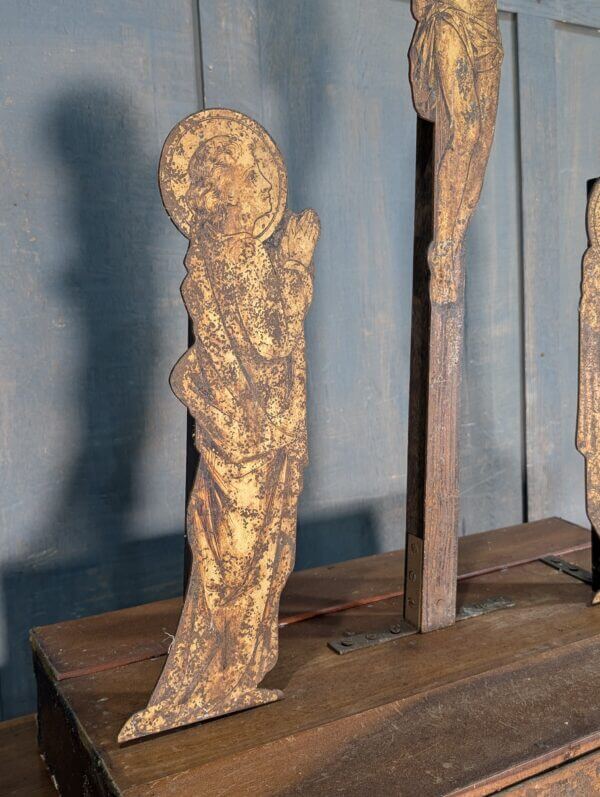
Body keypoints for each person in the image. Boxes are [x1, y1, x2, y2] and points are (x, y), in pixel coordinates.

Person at [119, 125, 319, 741]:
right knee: (235, 558)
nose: (251, 187)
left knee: (258, 555)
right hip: (246, 438)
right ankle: (209, 680)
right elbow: (268, 343)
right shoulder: (229, 263)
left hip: (264, 429)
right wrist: (293, 263)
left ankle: (233, 674)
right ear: (215, 191)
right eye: (238, 175)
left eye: (252, 175)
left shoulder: (222, 258)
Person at [410, 0, 503, 303]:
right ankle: (444, 248)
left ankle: (454, 244)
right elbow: (420, 7)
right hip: (450, 20)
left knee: (482, 148)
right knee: (467, 131)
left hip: (487, 28)